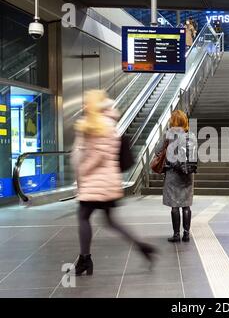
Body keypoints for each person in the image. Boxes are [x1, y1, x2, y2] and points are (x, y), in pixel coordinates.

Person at [71, 90, 156, 276]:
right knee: (110, 221)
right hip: (105, 182)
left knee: (83, 216)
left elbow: (98, 154)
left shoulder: (101, 124)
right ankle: (142, 247)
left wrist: (83, 171)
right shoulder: (105, 123)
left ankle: (85, 259)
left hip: (97, 181)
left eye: (87, 103)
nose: (84, 106)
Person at [154, 110, 197, 243]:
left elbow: (157, 151)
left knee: (175, 205)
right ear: (185, 121)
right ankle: (186, 234)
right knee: (186, 205)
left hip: (172, 173)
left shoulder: (168, 135)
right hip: (187, 174)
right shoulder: (191, 135)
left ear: (172, 121)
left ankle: (176, 235)